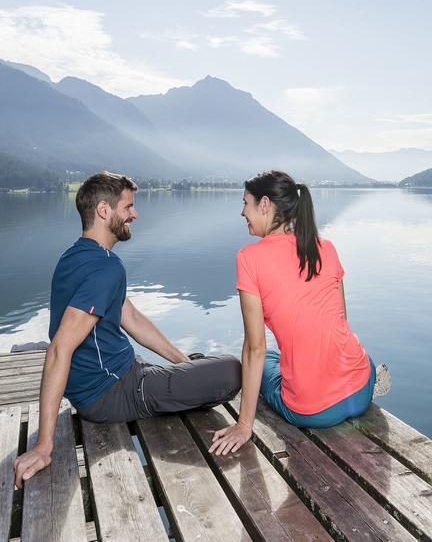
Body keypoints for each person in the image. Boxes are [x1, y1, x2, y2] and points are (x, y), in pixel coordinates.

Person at [14, 171, 241, 488]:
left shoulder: (75, 256)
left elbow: (129, 316)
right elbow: (58, 349)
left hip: (116, 379)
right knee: (232, 371)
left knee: (199, 368)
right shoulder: (105, 266)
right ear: (104, 211)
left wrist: (181, 360)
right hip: (114, 393)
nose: (134, 214)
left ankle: (188, 369)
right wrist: (43, 445)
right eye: (128, 207)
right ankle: (187, 377)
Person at [210, 170, 377, 456]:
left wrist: (243, 425)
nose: (242, 212)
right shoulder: (327, 247)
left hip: (314, 411)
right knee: (288, 355)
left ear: (264, 205)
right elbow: (341, 321)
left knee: (259, 364)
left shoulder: (249, 258)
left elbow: (254, 348)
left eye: (245, 203)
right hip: (362, 386)